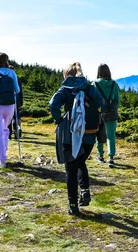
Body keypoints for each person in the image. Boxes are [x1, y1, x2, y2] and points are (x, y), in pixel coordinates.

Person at [49, 62, 102, 216]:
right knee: (81, 162)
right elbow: (100, 104)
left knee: (71, 169)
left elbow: (53, 104)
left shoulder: (65, 88)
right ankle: (85, 190)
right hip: (90, 134)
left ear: (67, 75)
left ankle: (73, 205)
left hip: (71, 135)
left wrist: (59, 120)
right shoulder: (89, 87)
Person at [93, 64, 120, 168]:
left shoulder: (95, 83)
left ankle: (100, 156)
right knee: (111, 136)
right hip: (112, 113)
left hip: (99, 113)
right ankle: (111, 158)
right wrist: (114, 110)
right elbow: (118, 99)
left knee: (99, 135)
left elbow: (93, 99)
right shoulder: (114, 84)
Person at [7, 65, 23, 140]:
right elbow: (20, 91)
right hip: (17, 100)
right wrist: (21, 101)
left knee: (9, 117)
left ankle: (9, 133)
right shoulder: (17, 78)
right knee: (16, 117)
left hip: (9, 99)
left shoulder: (6, 77)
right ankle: (17, 131)